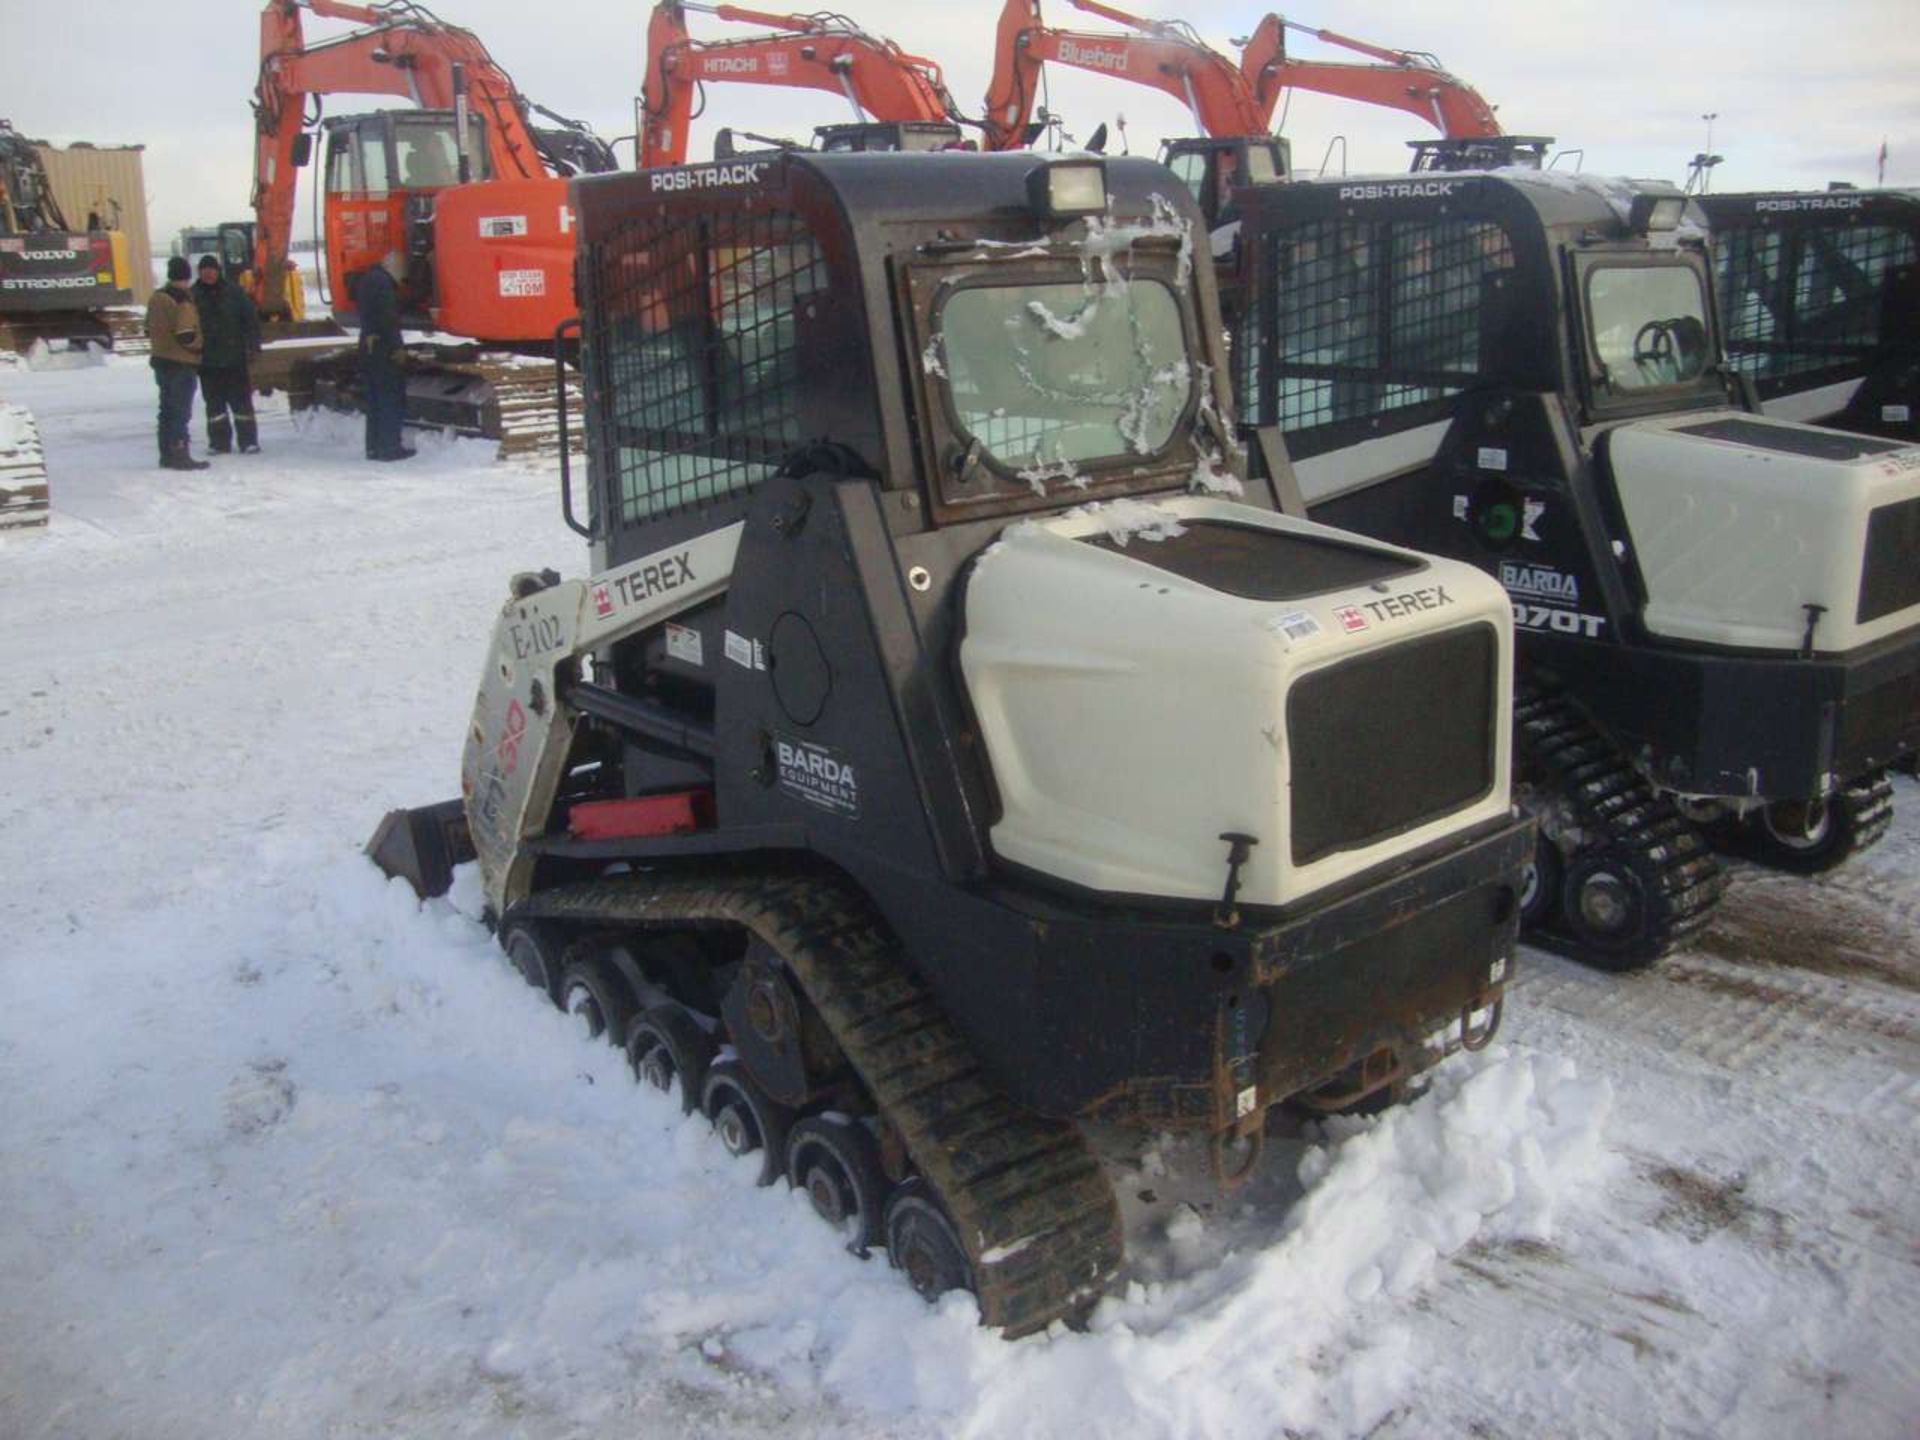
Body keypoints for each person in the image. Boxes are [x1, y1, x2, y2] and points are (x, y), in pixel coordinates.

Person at [191, 254, 263, 455]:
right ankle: (219, 443)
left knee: (242, 405)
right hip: (208, 363)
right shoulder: (193, 296)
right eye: (204, 270)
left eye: (212, 269)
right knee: (215, 407)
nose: (208, 273)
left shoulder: (234, 293)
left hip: (235, 360)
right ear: (200, 272)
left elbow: (250, 321)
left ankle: (248, 441)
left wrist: (252, 346)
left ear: (218, 271)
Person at [144, 256, 209, 471]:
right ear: (187, 276)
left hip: (160, 360)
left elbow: (147, 329)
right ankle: (181, 454)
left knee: (166, 409)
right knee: (181, 411)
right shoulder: (182, 300)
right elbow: (185, 334)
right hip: (181, 362)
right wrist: (200, 346)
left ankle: (166, 454)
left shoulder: (156, 298)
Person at [356, 251, 414, 461]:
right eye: (402, 272)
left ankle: (373, 447)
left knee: (374, 401)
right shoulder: (383, 284)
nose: (403, 277)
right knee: (390, 398)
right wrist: (398, 348)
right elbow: (388, 318)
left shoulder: (369, 280)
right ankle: (390, 448)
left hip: (369, 347)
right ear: (393, 267)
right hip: (384, 349)